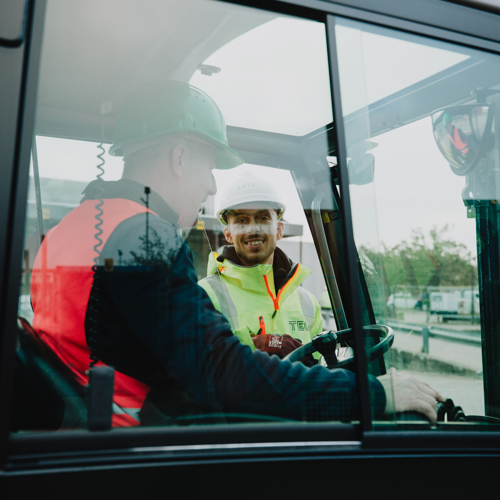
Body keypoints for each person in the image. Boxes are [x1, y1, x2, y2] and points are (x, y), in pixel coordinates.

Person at [30, 80, 443, 428]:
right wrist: (371, 394)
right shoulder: (146, 236)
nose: (211, 186)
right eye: (210, 169)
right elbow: (224, 374)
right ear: (179, 158)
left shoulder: (69, 230)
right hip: (138, 447)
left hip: (86, 432)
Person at [198, 173, 323, 364]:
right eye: (241, 221)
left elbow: (320, 367)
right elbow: (196, 364)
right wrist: (258, 344)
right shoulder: (204, 295)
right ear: (228, 234)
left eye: (263, 218)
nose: (253, 229)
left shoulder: (308, 303)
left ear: (279, 230)